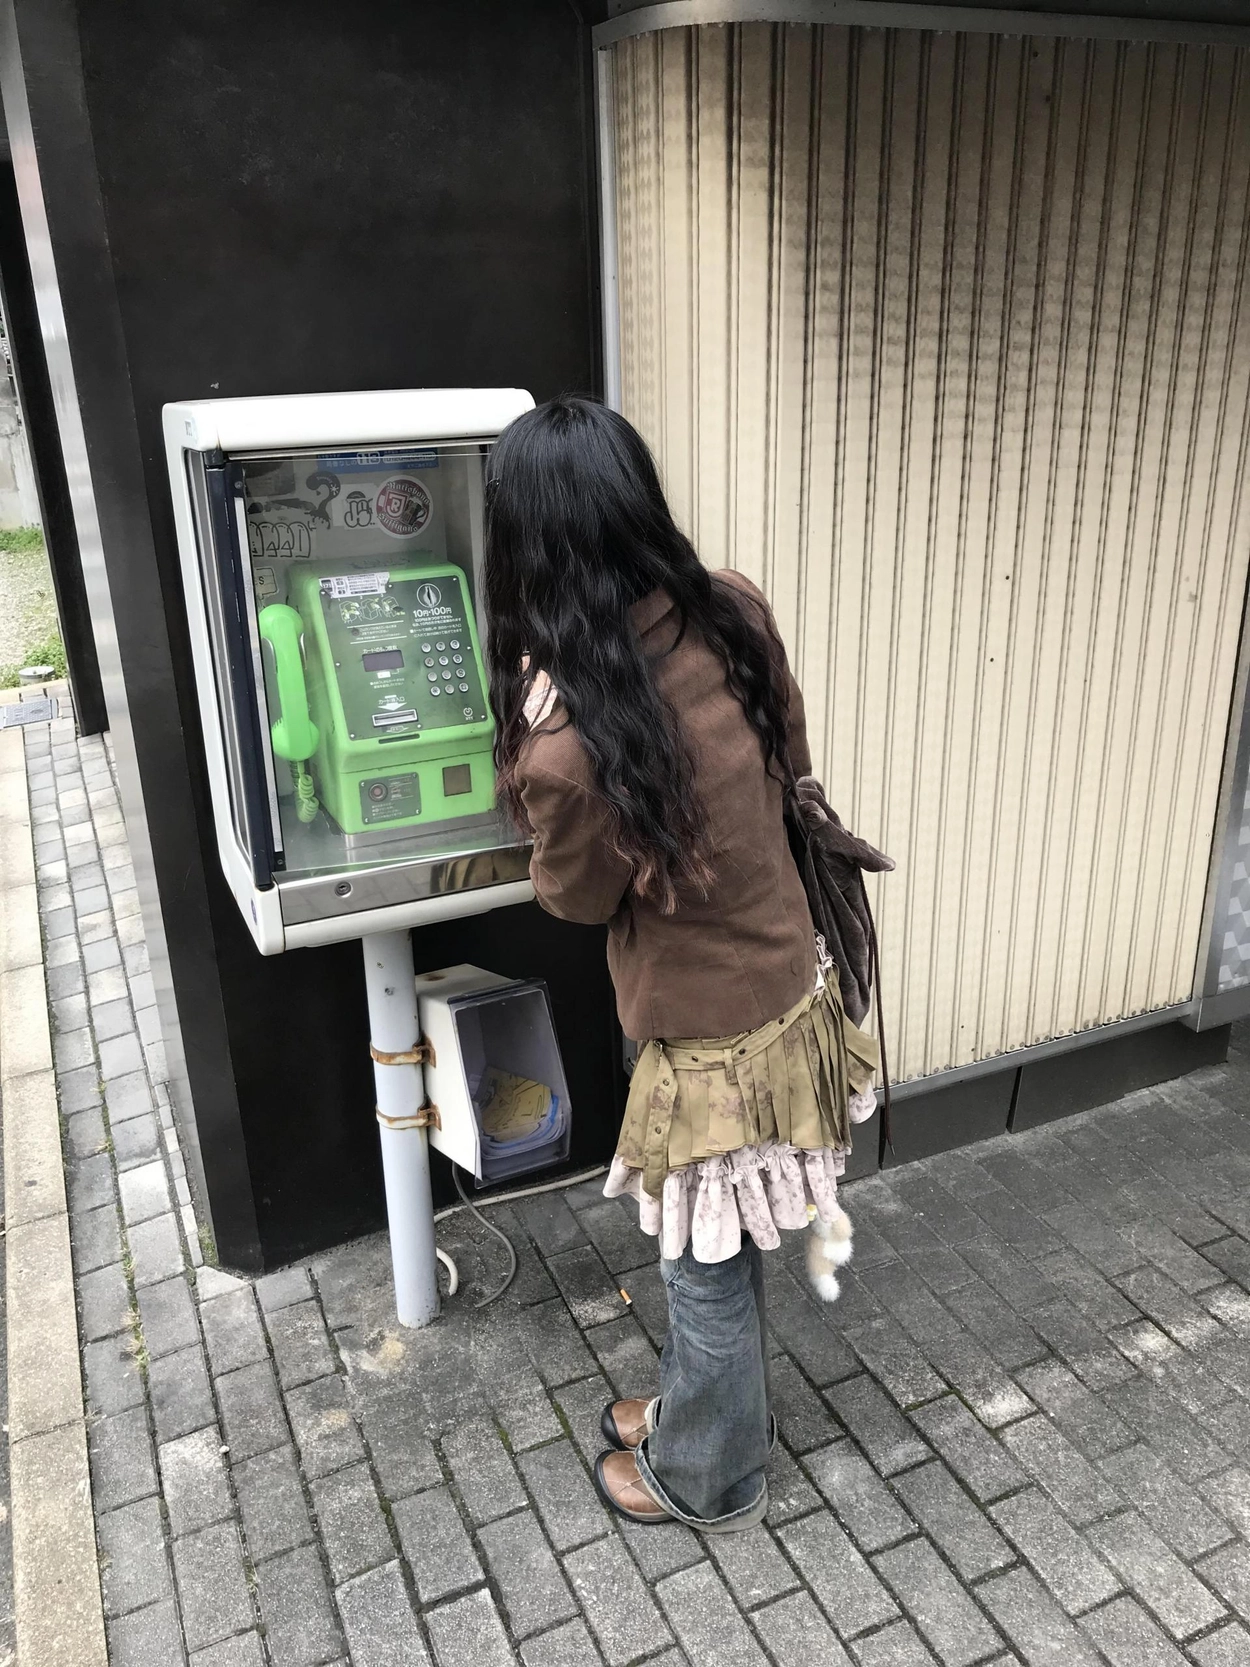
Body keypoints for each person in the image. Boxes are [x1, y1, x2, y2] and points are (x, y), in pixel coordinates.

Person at [483, 397, 878, 1534]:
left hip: (706, 1040)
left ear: (528, 548)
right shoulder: (731, 608)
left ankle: (709, 1472)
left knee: (701, 1267)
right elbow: (790, 758)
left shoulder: (569, 742)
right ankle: (700, 1412)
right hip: (790, 976)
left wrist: (532, 736)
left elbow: (572, 896)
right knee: (720, 1247)